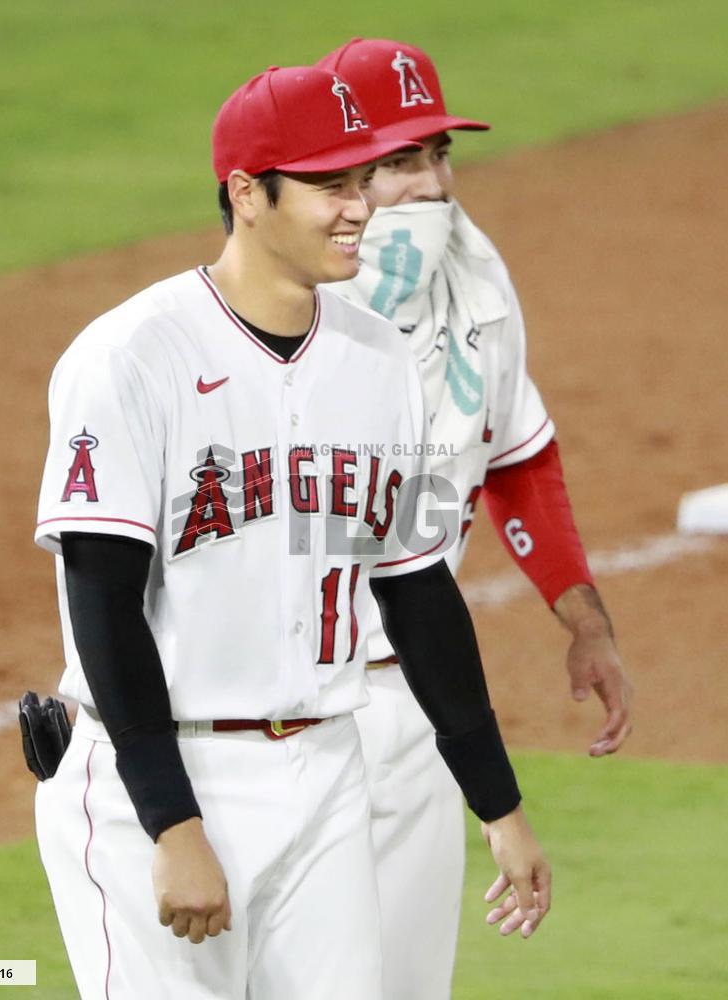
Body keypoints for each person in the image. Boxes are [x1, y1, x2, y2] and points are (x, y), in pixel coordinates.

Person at [33, 64, 551, 1000]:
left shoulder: (378, 358)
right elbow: (103, 602)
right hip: (161, 774)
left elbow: (415, 588)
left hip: (324, 770)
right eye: (328, 185)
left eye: (361, 180)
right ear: (246, 193)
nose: (359, 208)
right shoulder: (128, 358)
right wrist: (172, 823)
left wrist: (497, 802)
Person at [317, 37, 633, 998]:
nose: (430, 186)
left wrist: (584, 621)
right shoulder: (282, 305)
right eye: (398, 163)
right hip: (285, 715)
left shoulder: (474, 275)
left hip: (415, 698)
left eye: (439, 155)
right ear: (339, 175)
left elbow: (516, 452)